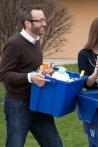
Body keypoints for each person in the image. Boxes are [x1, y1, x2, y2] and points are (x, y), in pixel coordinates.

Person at [0, 5, 63, 147]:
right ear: (27, 23)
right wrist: (30, 77)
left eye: (44, 20)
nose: (44, 24)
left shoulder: (36, 41)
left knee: (54, 144)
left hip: (39, 101)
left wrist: (44, 71)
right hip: (18, 105)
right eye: (40, 21)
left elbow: (30, 68)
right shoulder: (13, 44)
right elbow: (4, 74)